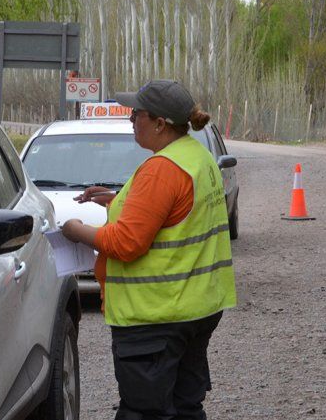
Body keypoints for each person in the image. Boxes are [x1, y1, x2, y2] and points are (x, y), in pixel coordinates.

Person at [61, 79, 236, 420]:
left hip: (156, 316)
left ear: (159, 123)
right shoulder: (195, 158)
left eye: (136, 114)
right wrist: (116, 202)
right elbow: (177, 217)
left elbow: (126, 244)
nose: (130, 120)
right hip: (195, 309)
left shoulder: (162, 170)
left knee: (145, 412)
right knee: (186, 407)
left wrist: (76, 231)